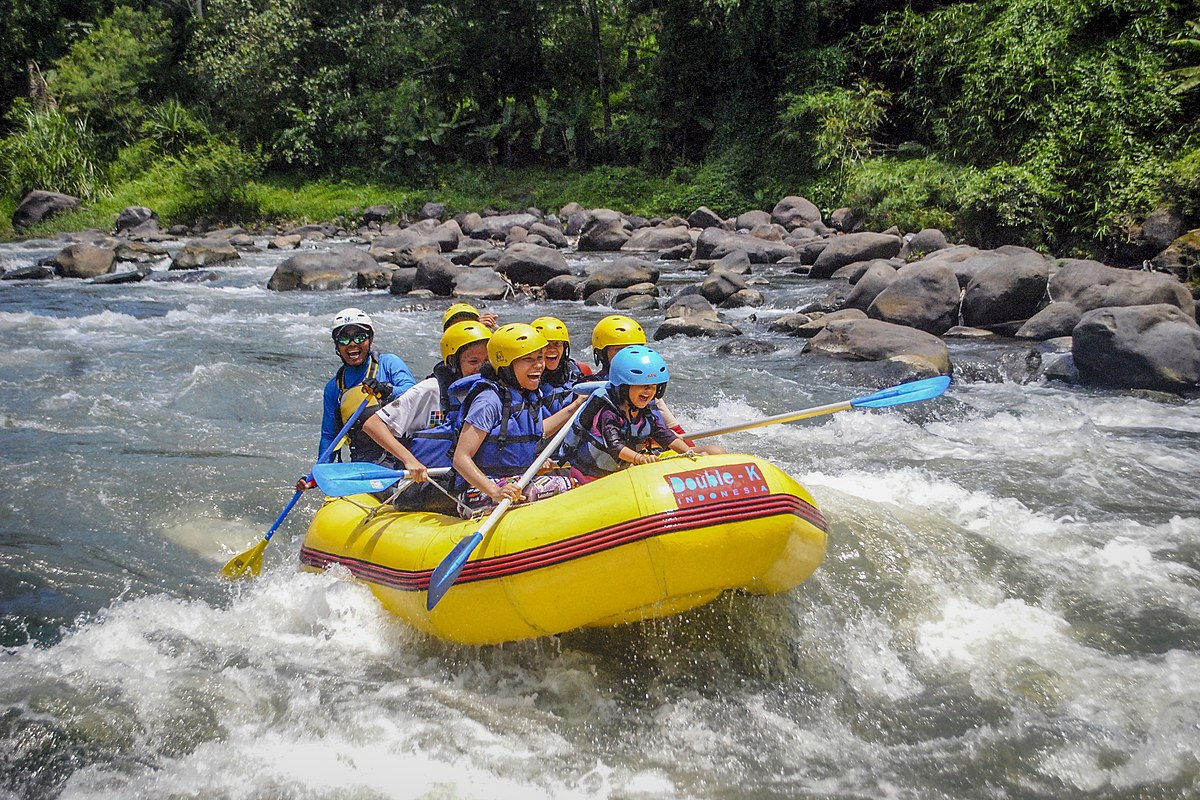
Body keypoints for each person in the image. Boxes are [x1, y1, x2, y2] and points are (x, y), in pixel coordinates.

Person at [451, 323, 585, 515]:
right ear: (506, 365)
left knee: (573, 479)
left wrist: (574, 407)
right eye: (528, 359)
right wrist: (495, 491)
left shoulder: (527, 395)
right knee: (565, 485)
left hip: (516, 480)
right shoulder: (488, 401)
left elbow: (538, 431)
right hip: (479, 491)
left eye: (539, 357)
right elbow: (461, 458)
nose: (538, 365)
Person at [296, 308, 417, 491]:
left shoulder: (389, 363)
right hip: (365, 461)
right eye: (344, 339)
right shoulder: (334, 388)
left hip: (404, 453)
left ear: (370, 340)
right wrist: (316, 476)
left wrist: (387, 390)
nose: (352, 344)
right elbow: (329, 437)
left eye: (359, 337)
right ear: (337, 346)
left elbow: (413, 393)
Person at [361, 320, 492, 471]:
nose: (480, 368)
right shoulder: (431, 389)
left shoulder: (491, 393)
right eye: (473, 361)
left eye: (487, 361)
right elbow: (373, 425)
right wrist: (409, 460)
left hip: (470, 482)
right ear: (453, 362)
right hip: (426, 481)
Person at [561, 345, 695, 481]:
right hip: (589, 476)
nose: (648, 391)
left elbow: (666, 436)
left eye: (653, 387)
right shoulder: (609, 413)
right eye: (642, 385)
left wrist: (690, 452)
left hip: (617, 473)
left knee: (713, 450)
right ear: (624, 387)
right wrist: (640, 459)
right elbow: (615, 446)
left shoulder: (645, 413)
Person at [531, 315, 592, 413]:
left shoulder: (581, 371)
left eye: (557, 344)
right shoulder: (526, 379)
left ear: (564, 348)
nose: (551, 349)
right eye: (546, 345)